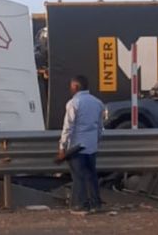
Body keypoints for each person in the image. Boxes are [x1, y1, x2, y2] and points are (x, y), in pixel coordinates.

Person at [58, 75, 105, 215]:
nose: (70, 88)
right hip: (91, 145)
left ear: (75, 87)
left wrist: (62, 147)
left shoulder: (74, 103)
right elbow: (100, 127)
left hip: (76, 146)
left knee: (79, 177)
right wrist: (96, 141)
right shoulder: (98, 103)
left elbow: (68, 127)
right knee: (91, 175)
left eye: (71, 86)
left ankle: (80, 205)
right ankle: (96, 204)